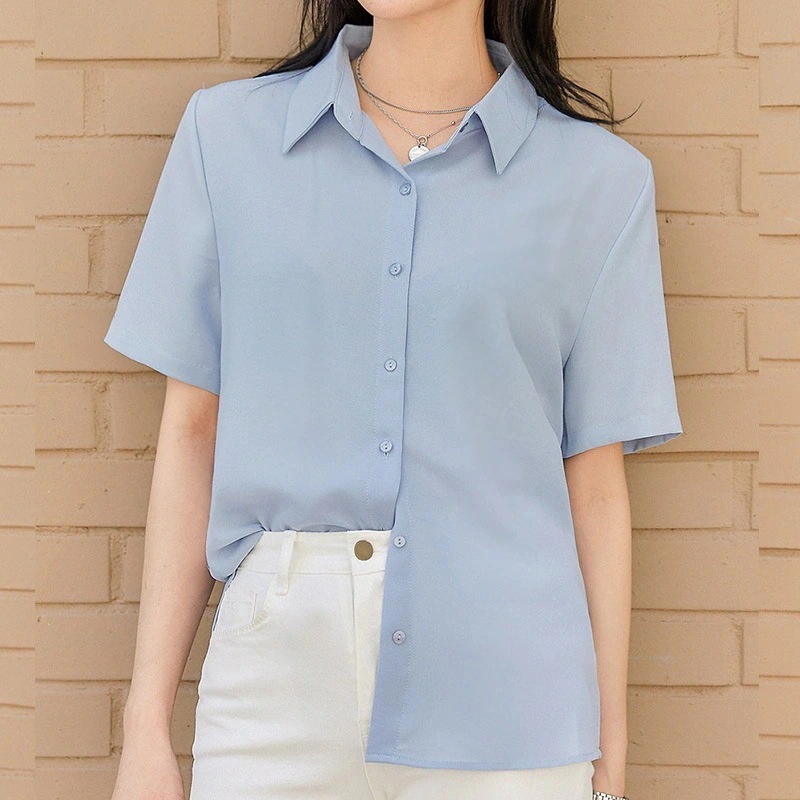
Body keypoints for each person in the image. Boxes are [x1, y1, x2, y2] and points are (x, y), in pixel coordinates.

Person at [106, 5, 683, 800]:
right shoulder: (227, 137)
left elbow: (595, 486)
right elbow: (191, 434)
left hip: (508, 691)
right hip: (273, 688)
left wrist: (609, 760)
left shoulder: (600, 181)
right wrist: (145, 726)